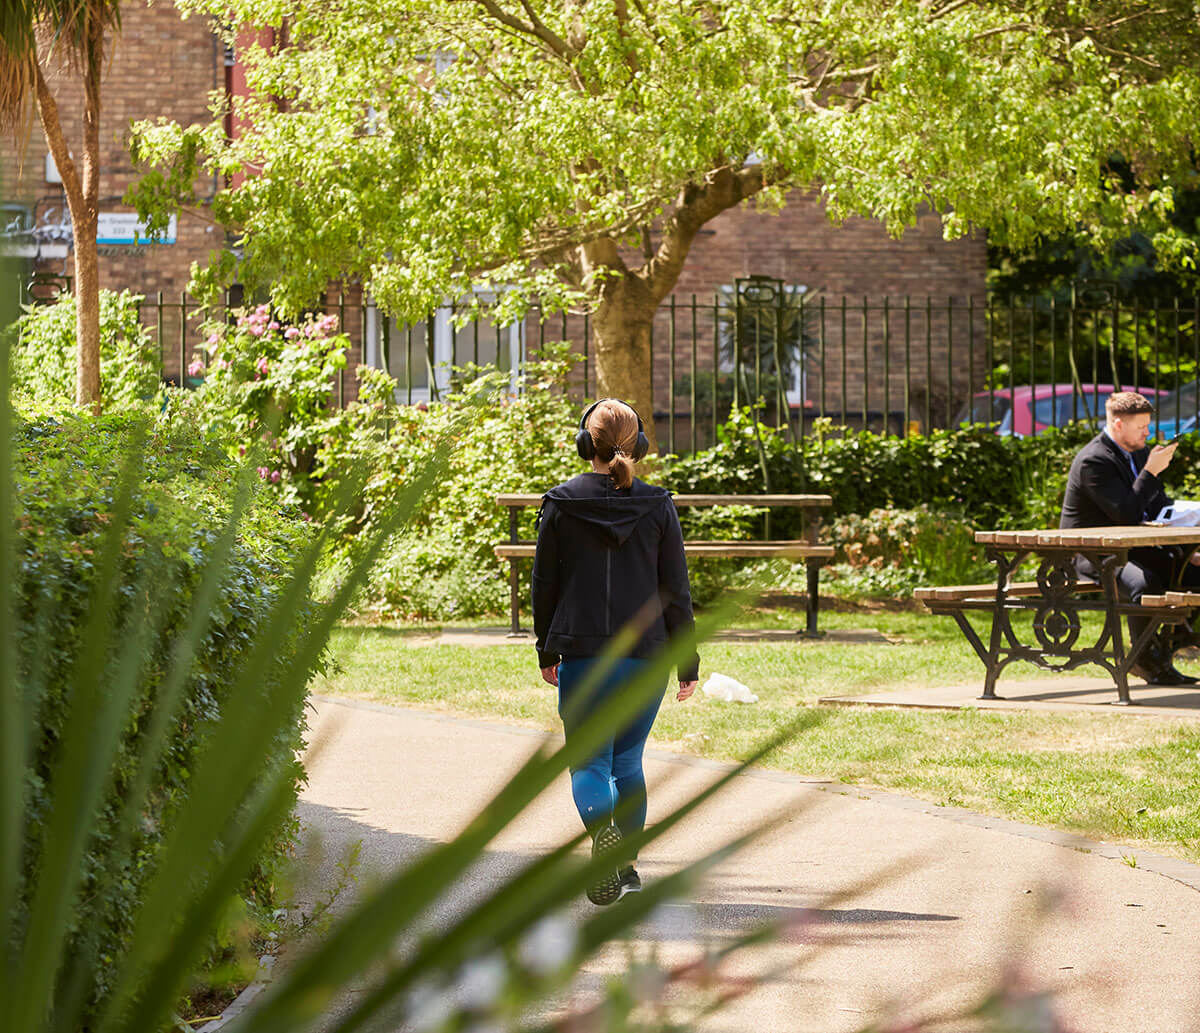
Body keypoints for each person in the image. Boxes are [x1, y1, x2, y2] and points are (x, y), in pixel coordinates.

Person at [532, 398, 700, 906]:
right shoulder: (659, 504)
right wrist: (687, 662)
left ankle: (603, 842)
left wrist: (546, 649)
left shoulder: (559, 504)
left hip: (583, 655)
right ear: (640, 446)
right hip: (646, 658)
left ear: (587, 444)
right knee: (627, 763)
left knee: (589, 763)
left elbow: (545, 585)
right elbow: (676, 587)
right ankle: (624, 866)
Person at [1059, 391, 1200, 684]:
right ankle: (1142, 659)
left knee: (1192, 571)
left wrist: (1189, 546)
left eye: (1148, 425)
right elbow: (1125, 513)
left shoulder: (1136, 452)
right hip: (1092, 553)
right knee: (1144, 582)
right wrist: (1150, 471)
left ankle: (1168, 650)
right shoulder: (1094, 461)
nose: (1147, 433)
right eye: (1141, 427)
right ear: (1119, 424)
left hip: (1131, 547)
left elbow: (1157, 506)